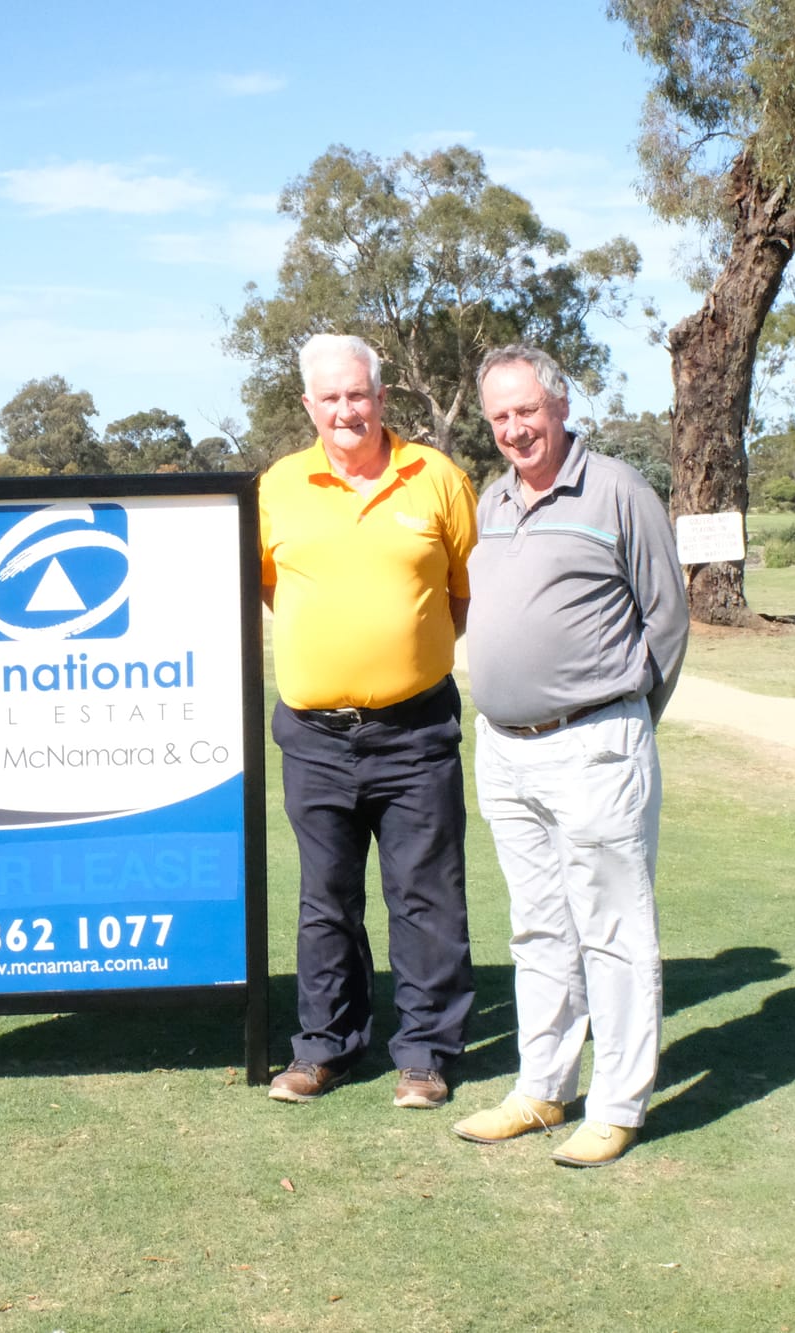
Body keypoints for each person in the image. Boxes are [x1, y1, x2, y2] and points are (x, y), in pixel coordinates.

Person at [453, 345, 688, 1167]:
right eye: (500, 416)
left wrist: (624, 719)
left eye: (527, 411)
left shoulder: (618, 489)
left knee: (613, 927)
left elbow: (667, 618)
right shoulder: (492, 501)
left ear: (559, 407)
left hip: (594, 742)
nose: (515, 429)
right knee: (539, 926)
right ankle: (543, 1087)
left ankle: (619, 1102)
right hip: (506, 750)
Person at [257, 333, 478, 1108]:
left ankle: (424, 1053)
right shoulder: (279, 485)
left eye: (359, 395)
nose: (346, 409)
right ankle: (324, 1046)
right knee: (326, 898)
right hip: (314, 735)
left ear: (383, 398)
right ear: (308, 405)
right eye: (331, 397)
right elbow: (273, 589)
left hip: (416, 731)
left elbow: (463, 590)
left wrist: (402, 655)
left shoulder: (438, 477)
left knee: (425, 894)